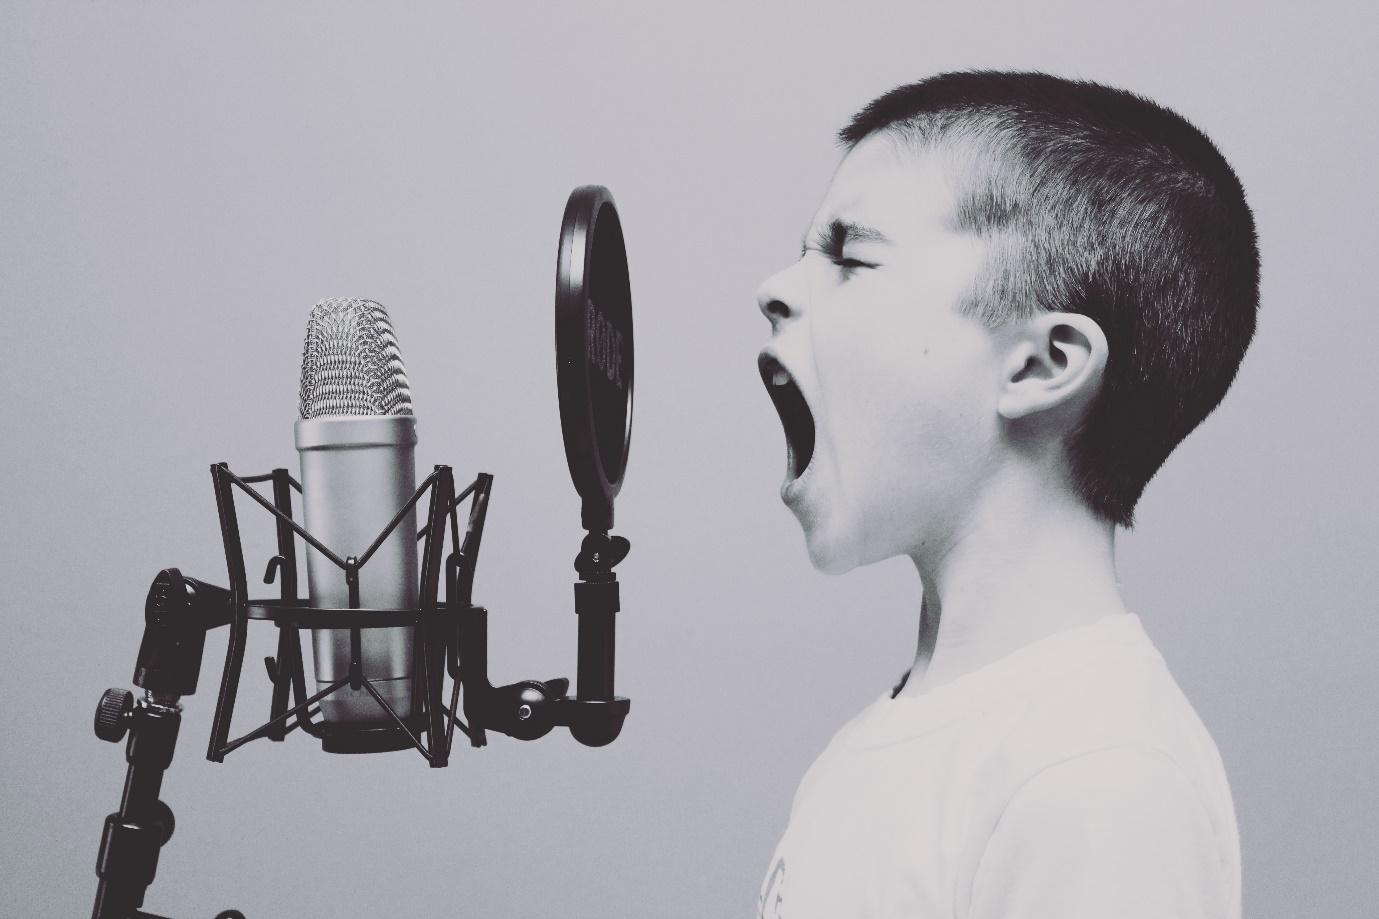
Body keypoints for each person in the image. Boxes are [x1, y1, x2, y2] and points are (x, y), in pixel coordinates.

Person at [755, 70, 1257, 919]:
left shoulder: (1095, 776)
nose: (776, 289)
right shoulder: (888, 741)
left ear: (1040, 364)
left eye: (849, 255)